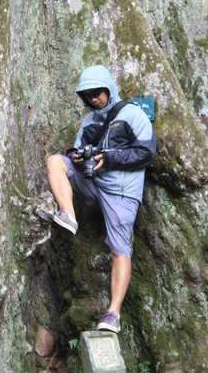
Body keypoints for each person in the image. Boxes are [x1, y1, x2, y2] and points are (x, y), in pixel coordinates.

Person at [47, 65, 156, 333]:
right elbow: (78, 153)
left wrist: (108, 157)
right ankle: (68, 215)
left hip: (122, 192)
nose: (94, 98)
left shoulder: (131, 114)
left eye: (97, 92)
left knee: (119, 250)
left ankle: (113, 314)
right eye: (87, 95)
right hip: (94, 186)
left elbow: (146, 153)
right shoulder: (88, 122)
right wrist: (76, 155)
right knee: (55, 161)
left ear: (109, 89)